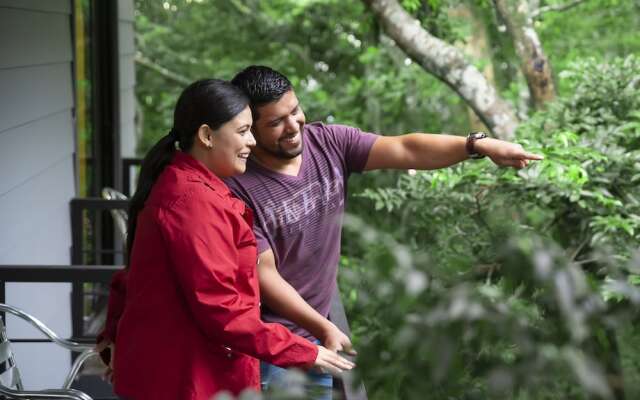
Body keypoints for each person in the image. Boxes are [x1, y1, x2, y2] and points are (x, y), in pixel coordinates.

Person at [225, 65, 544, 398]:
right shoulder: (237, 185)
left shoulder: (328, 142)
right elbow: (265, 274)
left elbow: (407, 149)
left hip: (323, 326)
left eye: (295, 111)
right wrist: (322, 327)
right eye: (275, 122)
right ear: (249, 129)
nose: (293, 127)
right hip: (279, 345)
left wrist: (478, 146)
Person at [99, 79, 354, 400]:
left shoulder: (186, 185)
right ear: (207, 135)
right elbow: (223, 313)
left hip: (179, 369)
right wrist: (306, 351)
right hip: (182, 377)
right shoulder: (192, 203)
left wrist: (116, 338)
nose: (252, 142)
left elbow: (134, 278)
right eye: (243, 131)